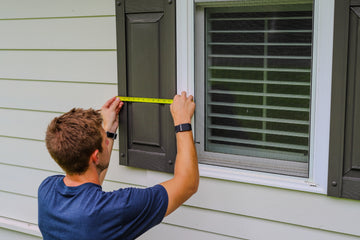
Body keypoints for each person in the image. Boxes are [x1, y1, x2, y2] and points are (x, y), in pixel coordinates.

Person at [38, 92, 199, 240]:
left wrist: (108, 130)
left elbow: (87, 190)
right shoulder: (116, 208)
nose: (108, 141)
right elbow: (187, 183)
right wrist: (182, 121)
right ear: (95, 156)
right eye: (105, 141)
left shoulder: (46, 190)